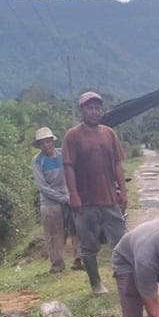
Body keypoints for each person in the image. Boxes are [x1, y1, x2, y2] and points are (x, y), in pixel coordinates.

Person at [62, 91, 129, 294]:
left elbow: (117, 164)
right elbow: (68, 166)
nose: (93, 112)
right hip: (85, 201)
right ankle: (96, 283)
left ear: (102, 110)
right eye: (89, 108)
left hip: (109, 198)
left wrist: (122, 190)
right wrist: (73, 194)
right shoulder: (72, 136)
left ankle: (122, 277)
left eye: (97, 108)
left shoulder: (109, 133)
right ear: (82, 111)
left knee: (120, 241)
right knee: (89, 245)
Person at [31, 126, 69, 272]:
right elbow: (43, 187)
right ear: (39, 145)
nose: (46, 145)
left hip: (68, 196)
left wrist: (70, 195)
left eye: (48, 141)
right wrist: (63, 198)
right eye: (43, 143)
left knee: (76, 230)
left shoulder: (62, 154)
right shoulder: (37, 161)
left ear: (52, 141)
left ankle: (79, 260)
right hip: (50, 202)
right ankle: (57, 265)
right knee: (53, 234)